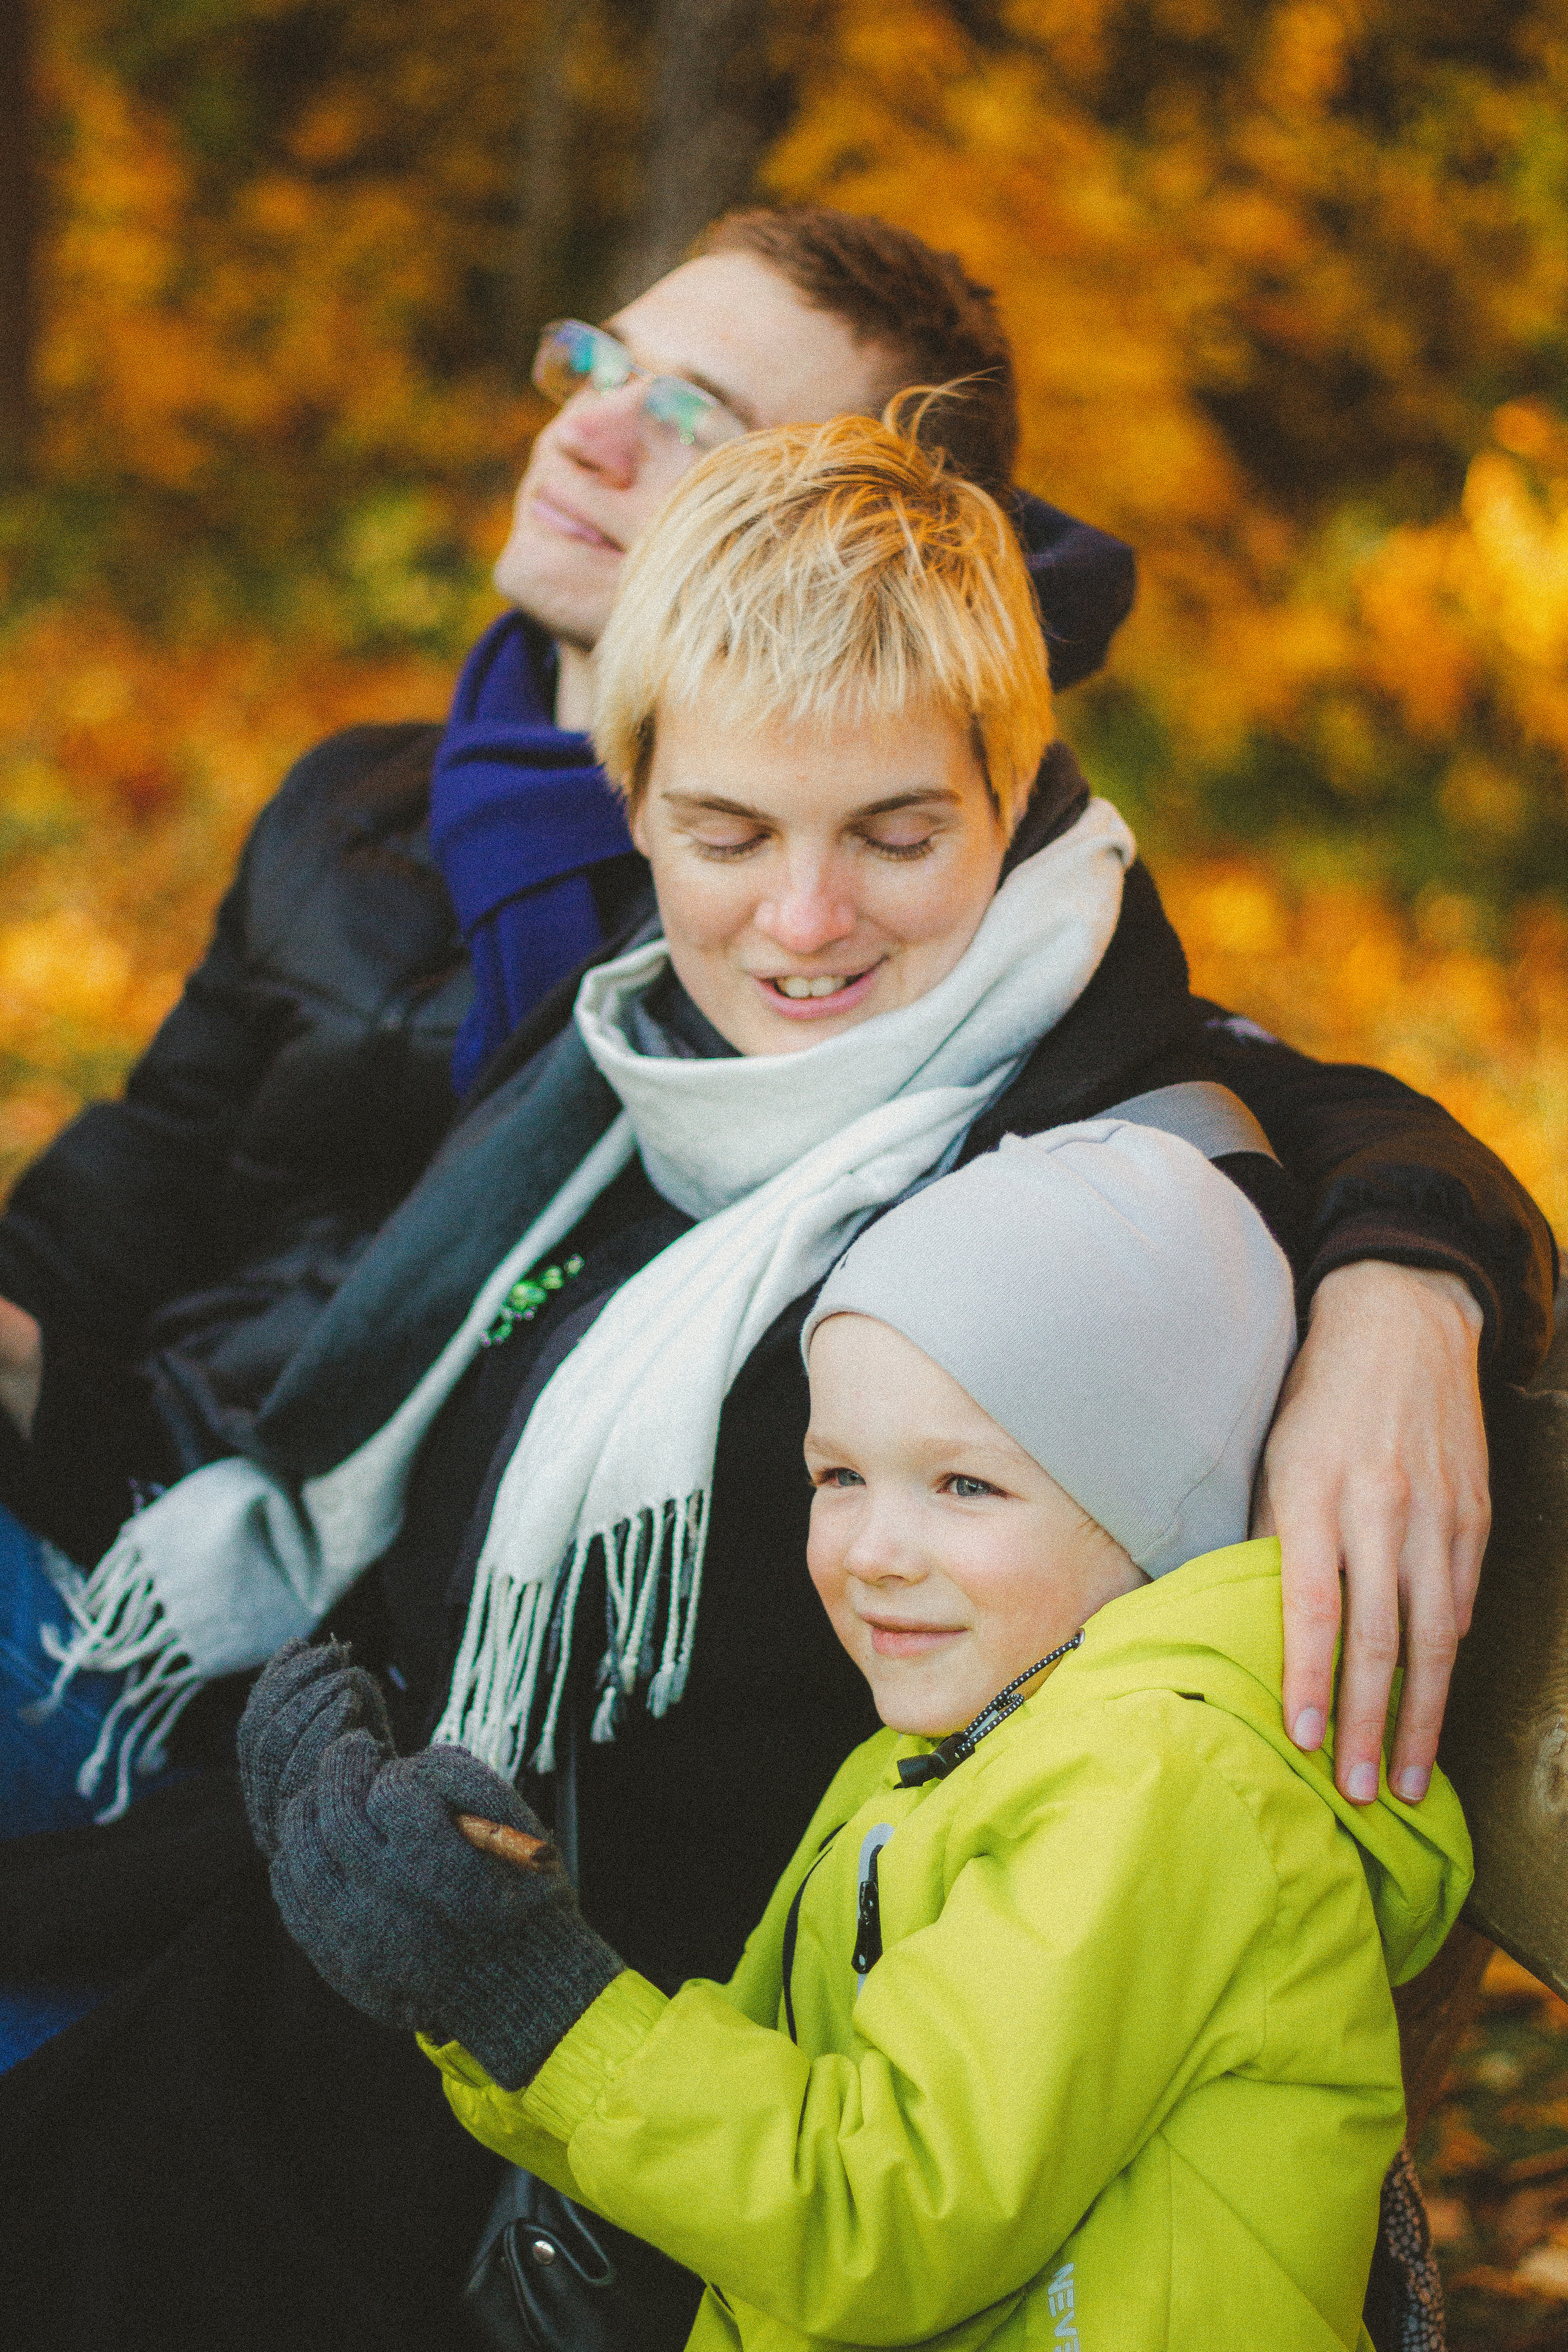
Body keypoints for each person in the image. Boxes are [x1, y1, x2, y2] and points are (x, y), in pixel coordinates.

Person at [0, 409, 1478, 2351]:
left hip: (671, 2125)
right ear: (633, 799)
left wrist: (1421, 1276)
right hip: (403, 1949)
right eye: (727, 836)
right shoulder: (632, 1082)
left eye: (896, 835)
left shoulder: (1100, 1190)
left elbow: (1286, 1124)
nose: (801, 924)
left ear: (1011, 781)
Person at [0, 208, 1548, 1847]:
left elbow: (1243, 1092)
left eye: (693, 419)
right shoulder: (357, 813)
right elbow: (98, 1227)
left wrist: (1406, 1288)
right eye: (602, 363)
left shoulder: (892, 915)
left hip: (334, 1724)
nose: (590, 428)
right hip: (148, 1547)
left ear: (832, 522)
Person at [238, 1118, 1472, 2352]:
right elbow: (769, 2118)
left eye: (965, 1486)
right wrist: (472, 1984)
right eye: (838, 1478)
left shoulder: (1158, 1783)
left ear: (1151, 1494)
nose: (873, 1553)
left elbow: (882, 2219)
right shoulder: (950, 1754)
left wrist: (542, 2004)